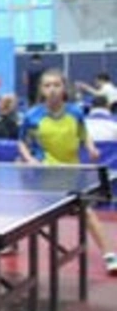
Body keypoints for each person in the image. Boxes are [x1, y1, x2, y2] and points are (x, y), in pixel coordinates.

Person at [16, 68, 117, 275]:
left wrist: (91, 148)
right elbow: (22, 143)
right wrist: (30, 159)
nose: (52, 89)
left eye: (56, 85)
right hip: (45, 173)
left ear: (64, 88)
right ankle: (9, 243)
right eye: (47, 85)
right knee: (28, 215)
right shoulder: (32, 116)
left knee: (87, 214)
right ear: (41, 90)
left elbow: (83, 134)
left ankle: (109, 255)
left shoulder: (75, 112)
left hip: (71, 172)